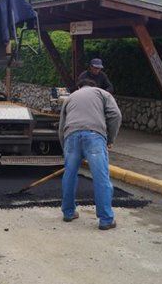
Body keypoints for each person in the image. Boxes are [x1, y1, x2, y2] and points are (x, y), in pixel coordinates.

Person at [58, 78, 122, 230]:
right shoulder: (102, 93)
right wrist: (110, 139)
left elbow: (61, 126)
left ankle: (68, 213)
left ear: (79, 87)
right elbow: (116, 115)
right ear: (95, 86)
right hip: (94, 136)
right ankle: (106, 220)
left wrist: (65, 150)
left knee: (69, 175)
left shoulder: (71, 97)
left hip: (71, 137)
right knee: (100, 177)